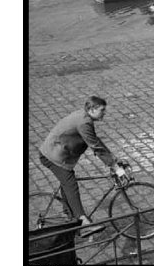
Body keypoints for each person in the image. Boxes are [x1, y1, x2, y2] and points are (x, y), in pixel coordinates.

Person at [38, 96, 127, 237]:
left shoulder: (85, 117)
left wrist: (113, 160)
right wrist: (114, 167)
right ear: (92, 109)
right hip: (54, 157)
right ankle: (83, 222)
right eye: (102, 110)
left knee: (66, 184)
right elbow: (95, 146)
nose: (104, 113)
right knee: (71, 185)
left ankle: (70, 216)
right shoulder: (84, 123)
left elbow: (95, 141)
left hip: (58, 153)